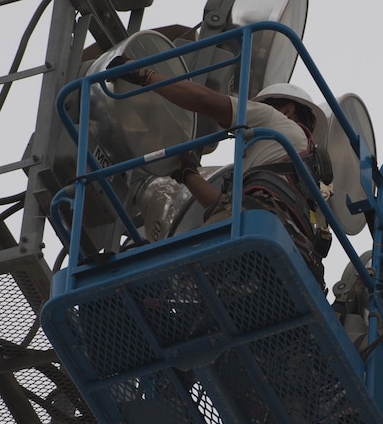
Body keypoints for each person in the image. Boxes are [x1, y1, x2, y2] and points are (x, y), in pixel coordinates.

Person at [120, 62, 334, 281]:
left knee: (177, 274)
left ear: (287, 110)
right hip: (290, 255)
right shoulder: (301, 167)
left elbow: (204, 100)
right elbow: (224, 207)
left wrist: (147, 77)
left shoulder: (275, 120)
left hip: (259, 232)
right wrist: (187, 173)